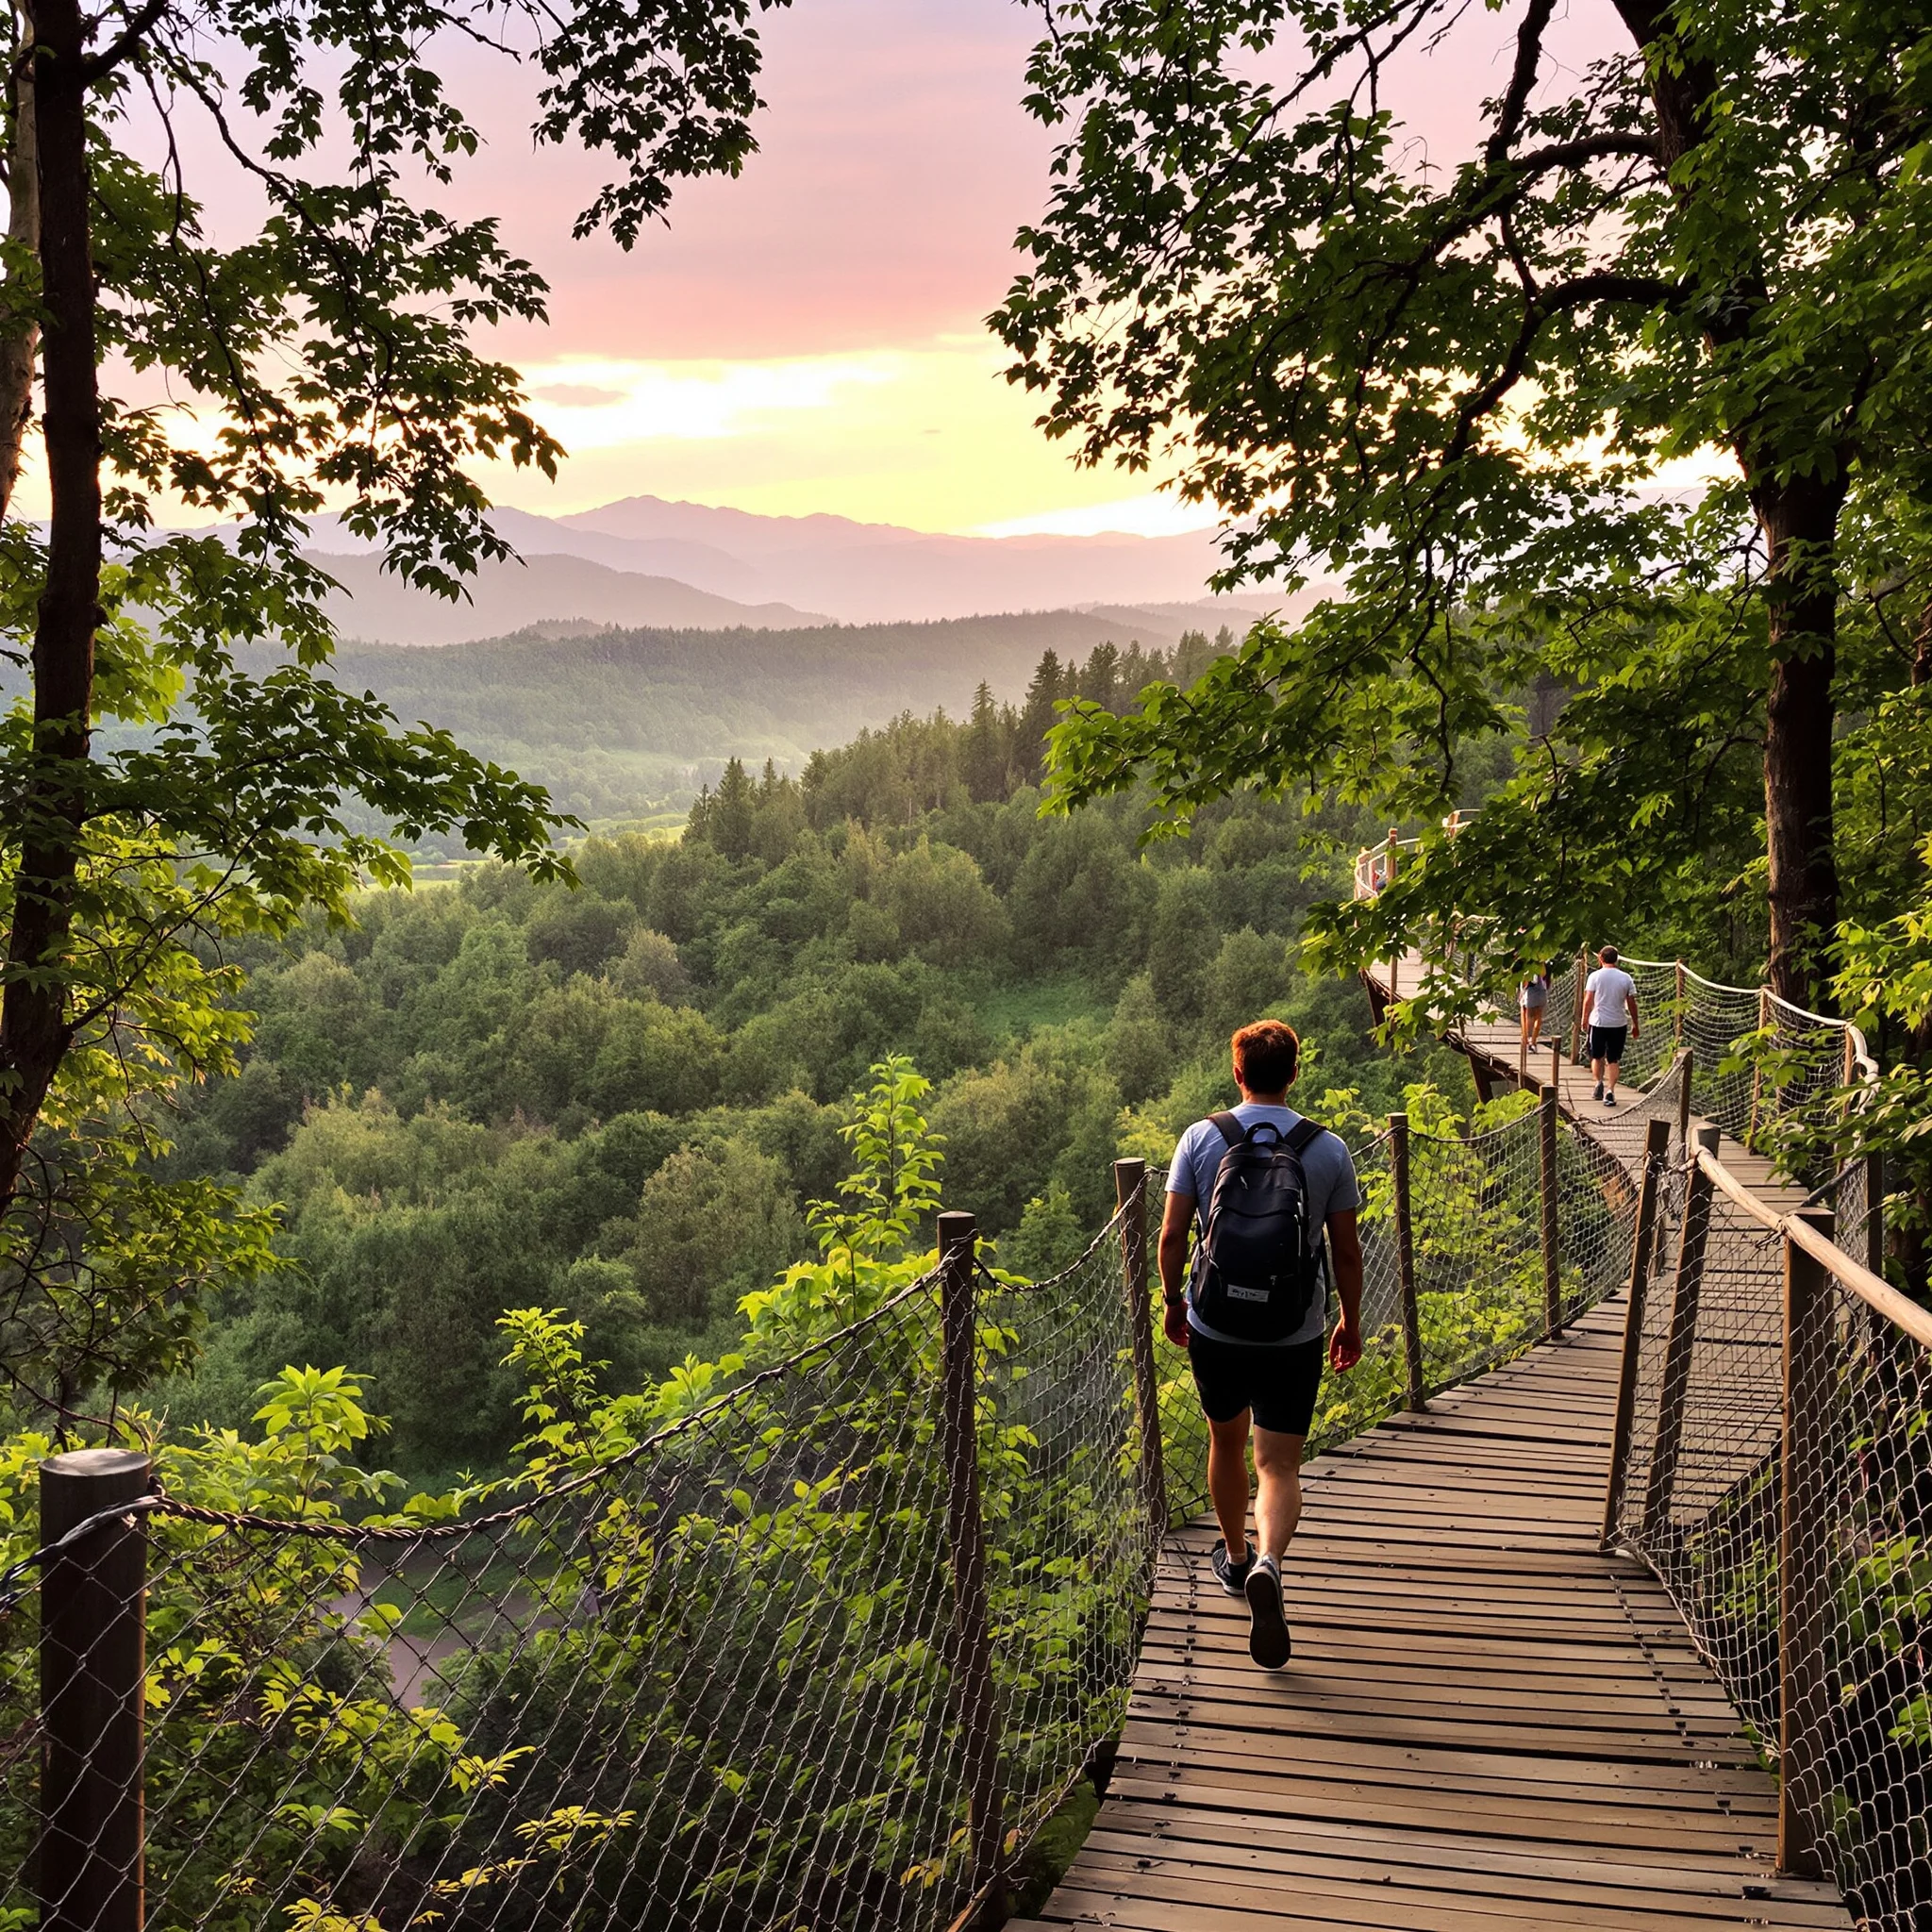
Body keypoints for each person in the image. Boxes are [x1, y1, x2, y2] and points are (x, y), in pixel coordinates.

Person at [1158, 1019, 1364, 1670]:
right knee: (1278, 1464)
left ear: (1238, 1072)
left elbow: (1170, 1238)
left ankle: (1236, 1558)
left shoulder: (1201, 1137)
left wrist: (1172, 1302)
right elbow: (1347, 1251)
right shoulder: (1327, 1149)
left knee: (1226, 1441)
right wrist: (1349, 1321)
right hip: (1292, 1328)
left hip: (1215, 1322)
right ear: (1294, 1072)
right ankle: (1270, 1561)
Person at [1580, 944, 1641, 1107]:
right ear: (1617, 959)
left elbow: (1588, 1000)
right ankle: (1610, 1091)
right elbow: (1631, 1003)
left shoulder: (1594, 976)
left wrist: (1584, 1019)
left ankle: (1598, 1083)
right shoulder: (1626, 978)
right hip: (1618, 1023)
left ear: (1600, 958)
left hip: (1598, 1022)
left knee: (1596, 1056)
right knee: (1613, 1059)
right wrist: (1635, 1023)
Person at [1519, 963, 1550, 1052]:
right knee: (1538, 1017)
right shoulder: (1545, 966)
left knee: (1528, 1016)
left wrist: (1522, 991)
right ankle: (1533, 1041)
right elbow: (1546, 979)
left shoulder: (1530, 965)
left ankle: (1526, 1040)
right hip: (1542, 992)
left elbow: (1526, 982)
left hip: (1530, 992)